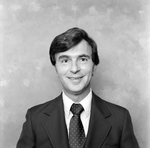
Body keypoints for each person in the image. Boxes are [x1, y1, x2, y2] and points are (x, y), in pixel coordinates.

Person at [17, 27, 140, 148]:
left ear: (94, 67)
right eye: (65, 60)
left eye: (83, 59)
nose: (74, 69)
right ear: (56, 68)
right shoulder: (35, 119)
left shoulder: (119, 118)